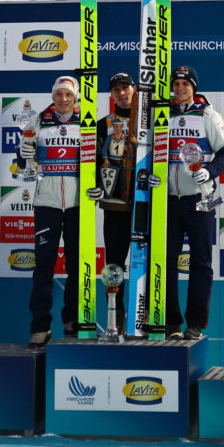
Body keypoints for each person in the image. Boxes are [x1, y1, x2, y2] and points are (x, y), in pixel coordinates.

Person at [166, 65, 224, 340]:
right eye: (177, 83)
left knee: (201, 262)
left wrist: (211, 171)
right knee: (165, 261)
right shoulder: (162, 114)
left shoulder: (209, 115)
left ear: (194, 87)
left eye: (186, 84)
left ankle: (195, 324)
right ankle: (169, 323)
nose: (180, 88)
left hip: (202, 198)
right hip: (169, 199)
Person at [19, 75, 81, 347]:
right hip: (46, 203)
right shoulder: (37, 121)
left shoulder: (86, 122)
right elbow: (23, 164)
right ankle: (41, 327)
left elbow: (100, 159)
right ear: (53, 95)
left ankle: (73, 323)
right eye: (59, 94)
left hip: (79, 205)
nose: (63, 99)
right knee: (43, 267)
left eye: (68, 94)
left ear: (75, 96)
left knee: (77, 267)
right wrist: (22, 153)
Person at [93, 71, 139, 332]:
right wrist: (98, 186)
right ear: (111, 94)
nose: (122, 93)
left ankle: (152, 318)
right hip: (116, 206)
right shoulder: (103, 124)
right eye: (116, 90)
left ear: (134, 89)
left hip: (147, 203)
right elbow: (95, 163)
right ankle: (116, 321)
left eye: (125, 88)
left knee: (153, 261)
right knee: (115, 265)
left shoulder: (150, 122)